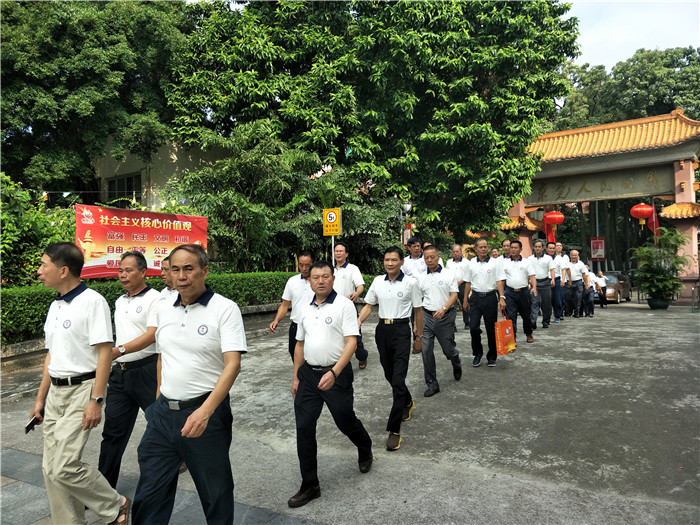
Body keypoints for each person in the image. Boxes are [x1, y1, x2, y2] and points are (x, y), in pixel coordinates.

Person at [133, 244, 246, 525]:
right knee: (150, 492)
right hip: (162, 415)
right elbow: (163, 357)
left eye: (188, 269)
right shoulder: (164, 309)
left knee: (215, 491)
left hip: (204, 413)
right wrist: (157, 402)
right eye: (175, 269)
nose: (181, 276)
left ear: (204, 271)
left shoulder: (224, 309)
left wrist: (205, 412)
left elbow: (232, 364)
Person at [30, 242, 129, 525]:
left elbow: (104, 354)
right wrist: (40, 399)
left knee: (64, 466)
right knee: (51, 470)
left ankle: (115, 504)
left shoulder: (92, 302)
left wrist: (96, 400)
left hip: (82, 390)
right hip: (56, 393)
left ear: (63, 271)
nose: (39, 272)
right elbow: (52, 355)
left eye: (44, 265)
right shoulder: (55, 305)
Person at [289, 261, 373, 508]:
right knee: (304, 428)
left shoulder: (344, 306)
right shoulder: (303, 307)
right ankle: (310, 485)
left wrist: (335, 373)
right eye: (316, 277)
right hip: (308, 376)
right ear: (310, 281)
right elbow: (300, 344)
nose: (320, 281)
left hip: (337, 374)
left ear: (333, 279)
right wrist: (296, 377)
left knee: (344, 420)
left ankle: (364, 445)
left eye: (325, 276)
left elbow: (352, 343)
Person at [98, 251, 160, 489]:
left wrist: (120, 350)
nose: (123, 275)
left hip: (147, 371)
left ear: (143, 272)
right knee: (112, 434)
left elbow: (152, 334)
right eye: (120, 271)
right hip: (120, 373)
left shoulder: (155, 299)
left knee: (160, 425)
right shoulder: (119, 301)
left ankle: (178, 460)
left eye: (128, 270)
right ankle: (103, 490)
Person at [358, 247, 423, 451]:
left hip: (402, 331)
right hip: (382, 331)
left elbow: (418, 311)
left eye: (394, 260)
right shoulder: (378, 281)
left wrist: (418, 336)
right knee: (389, 374)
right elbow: (369, 305)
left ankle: (394, 431)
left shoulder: (411, 283)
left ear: (402, 262)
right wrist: (357, 322)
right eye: (387, 260)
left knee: (397, 379)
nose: (390, 263)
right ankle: (408, 401)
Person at [417, 245, 461, 397]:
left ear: (438, 257)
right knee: (426, 350)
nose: (429, 260)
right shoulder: (421, 277)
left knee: (448, 349)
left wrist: (443, 308)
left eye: (432, 257)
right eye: (426, 258)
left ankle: (455, 360)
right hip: (427, 316)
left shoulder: (448, 274)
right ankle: (432, 383)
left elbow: (454, 295)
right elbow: (418, 300)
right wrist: (417, 322)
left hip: (445, 316)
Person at [464, 238, 506, 367]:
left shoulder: (495, 263)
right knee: (473, 327)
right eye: (481, 247)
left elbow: (499, 281)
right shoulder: (471, 263)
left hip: (490, 297)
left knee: (491, 329)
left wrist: (502, 297)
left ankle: (492, 356)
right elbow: (468, 282)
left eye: (485, 247)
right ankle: (477, 354)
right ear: (476, 249)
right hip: (475, 298)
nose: (483, 249)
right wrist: (465, 299)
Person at [269, 251, 314, 360]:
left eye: (307, 265)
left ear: (313, 263)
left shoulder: (320, 282)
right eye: (301, 265)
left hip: (314, 325)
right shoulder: (292, 281)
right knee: (294, 352)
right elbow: (285, 305)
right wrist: (276, 320)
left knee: (313, 356)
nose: (304, 268)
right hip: (296, 325)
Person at [333, 241, 369, 368]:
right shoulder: (330, 270)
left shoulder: (352, 269)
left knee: (355, 335)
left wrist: (356, 293)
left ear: (346, 254)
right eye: (336, 251)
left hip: (348, 308)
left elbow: (360, 286)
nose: (338, 253)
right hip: (332, 308)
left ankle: (362, 356)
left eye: (341, 251)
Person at [502, 240, 536, 343]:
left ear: (520, 249)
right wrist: (501, 295)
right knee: (510, 316)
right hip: (509, 292)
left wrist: (534, 287)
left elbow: (532, 276)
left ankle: (528, 333)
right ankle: (512, 338)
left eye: (515, 248)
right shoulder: (504, 262)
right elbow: (501, 279)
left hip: (523, 292)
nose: (513, 249)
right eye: (511, 247)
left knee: (526, 315)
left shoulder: (527, 262)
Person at [528, 240, 555, 329]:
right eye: (536, 247)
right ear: (534, 248)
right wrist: (528, 282)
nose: (537, 248)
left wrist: (553, 279)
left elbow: (552, 269)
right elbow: (527, 272)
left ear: (542, 248)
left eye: (539, 247)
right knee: (534, 303)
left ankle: (546, 321)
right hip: (534, 283)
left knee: (546, 304)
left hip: (545, 283)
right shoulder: (530, 259)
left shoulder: (548, 258)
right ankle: (533, 321)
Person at [445, 244, 470, 330]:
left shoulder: (466, 262)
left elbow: (468, 275)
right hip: (452, 286)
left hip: (463, 284)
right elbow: (447, 274)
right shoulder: (449, 262)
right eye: (454, 252)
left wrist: (460, 281)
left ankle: (467, 322)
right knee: (452, 305)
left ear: (460, 252)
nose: (456, 253)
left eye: (457, 251)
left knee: (465, 303)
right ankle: (452, 324)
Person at [566, 250, 589, 318]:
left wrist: (586, 284)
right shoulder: (566, 263)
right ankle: (569, 311)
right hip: (568, 282)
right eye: (572, 255)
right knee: (568, 298)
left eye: (575, 255)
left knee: (578, 298)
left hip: (578, 282)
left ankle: (577, 313)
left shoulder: (581, 264)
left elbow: (584, 274)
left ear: (577, 256)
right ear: (570, 256)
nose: (574, 257)